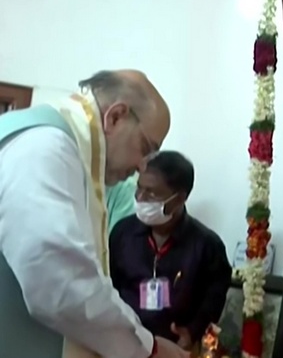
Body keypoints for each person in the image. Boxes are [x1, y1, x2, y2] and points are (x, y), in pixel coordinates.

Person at [0, 70, 189, 358]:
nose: (142, 167)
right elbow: (59, 280)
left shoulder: (67, 149)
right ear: (115, 117)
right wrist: (147, 349)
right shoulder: (47, 147)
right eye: (146, 149)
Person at [110, 151, 232, 351]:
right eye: (139, 188)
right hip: (126, 343)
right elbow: (109, 286)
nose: (141, 198)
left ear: (179, 199)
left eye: (152, 193)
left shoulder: (207, 245)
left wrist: (193, 331)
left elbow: (215, 296)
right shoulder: (122, 233)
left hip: (174, 349)